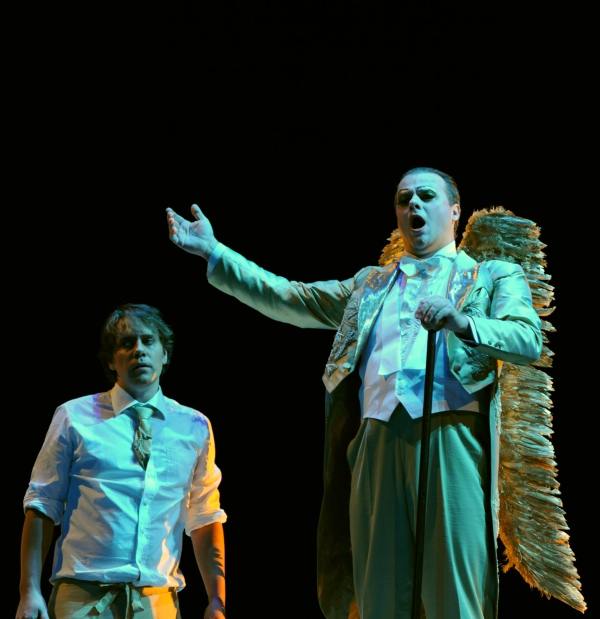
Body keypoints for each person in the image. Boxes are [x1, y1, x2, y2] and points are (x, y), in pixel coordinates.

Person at [166, 167, 542, 619]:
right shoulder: (371, 285)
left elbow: (527, 339)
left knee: (453, 593)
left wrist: (462, 322)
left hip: (451, 438)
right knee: (379, 590)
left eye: (426, 196)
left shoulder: (490, 275)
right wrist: (215, 252)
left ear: (455, 210)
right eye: (404, 199)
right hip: (376, 442)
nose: (413, 204)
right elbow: (291, 297)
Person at [16, 303, 227, 619]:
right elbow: (42, 505)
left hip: (157, 602)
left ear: (165, 354)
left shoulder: (194, 426)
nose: (138, 350)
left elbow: (205, 516)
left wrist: (217, 600)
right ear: (111, 361)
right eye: (127, 343)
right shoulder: (74, 416)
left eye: (148, 341)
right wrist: (29, 591)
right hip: (84, 599)